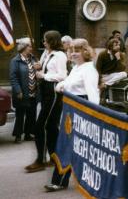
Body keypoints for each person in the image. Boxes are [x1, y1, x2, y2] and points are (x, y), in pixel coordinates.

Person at [44, 38, 100, 192]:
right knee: (69, 145)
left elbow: (93, 95)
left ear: (85, 51)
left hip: (82, 109)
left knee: (78, 147)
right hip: (70, 109)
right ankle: (61, 180)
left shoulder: (89, 69)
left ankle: (64, 181)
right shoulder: (76, 68)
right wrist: (61, 86)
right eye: (71, 50)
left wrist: (92, 117)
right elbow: (66, 83)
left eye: (77, 50)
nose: (73, 53)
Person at [25, 30, 67, 173]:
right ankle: (55, 158)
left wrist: (44, 75)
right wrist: (39, 67)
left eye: (45, 40)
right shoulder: (45, 54)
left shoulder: (60, 55)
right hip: (44, 91)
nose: (43, 42)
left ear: (52, 41)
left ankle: (40, 160)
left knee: (40, 126)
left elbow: (62, 76)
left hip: (53, 91)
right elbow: (43, 69)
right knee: (51, 126)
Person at [10, 38, 37, 143]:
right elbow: (13, 78)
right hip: (22, 92)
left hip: (33, 92)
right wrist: (18, 91)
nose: (31, 48)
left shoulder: (33, 59)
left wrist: (39, 69)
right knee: (20, 115)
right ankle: (18, 135)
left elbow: (38, 72)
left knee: (31, 114)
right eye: (30, 46)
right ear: (24, 47)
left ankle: (27, 134)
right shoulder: (15, 61)